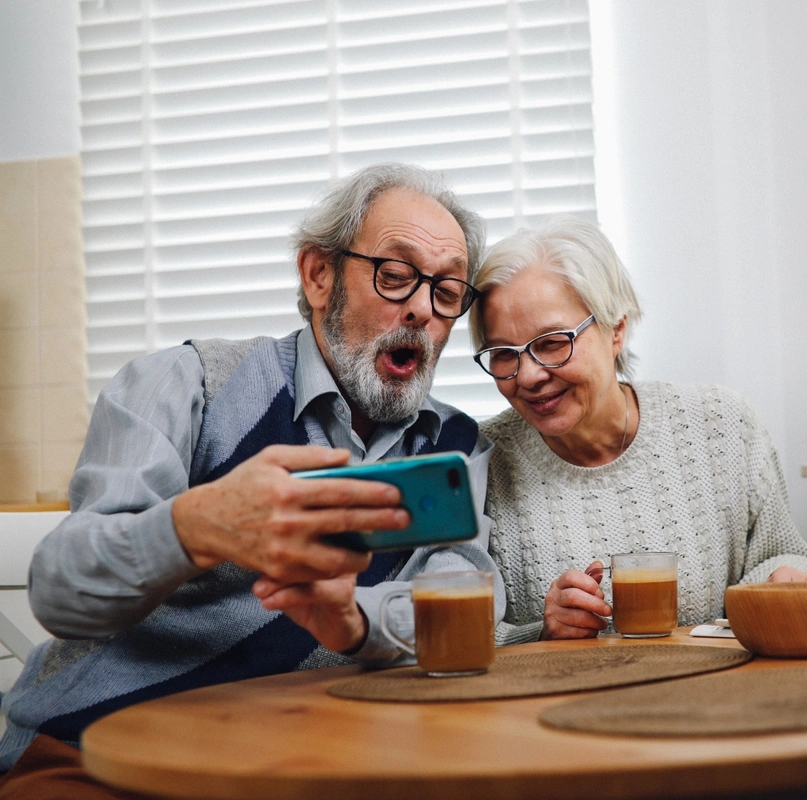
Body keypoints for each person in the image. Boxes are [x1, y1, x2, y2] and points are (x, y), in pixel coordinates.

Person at [0, 164, 505, 796]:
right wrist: (194, 528)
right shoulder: (184, 386)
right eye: (395, 274)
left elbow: (466, 610)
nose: (423, 310)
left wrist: (351, 621)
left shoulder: (453, 451)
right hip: (95, 755)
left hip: (297, 765)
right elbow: (59, 592)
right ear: (319, 275)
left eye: (448, 291)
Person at [468, 217, 807, 645]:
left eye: (552, 343)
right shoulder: (481, 462)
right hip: (557, 707)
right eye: (502, 354)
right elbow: (455, 635)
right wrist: (540, 631)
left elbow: (787, 555)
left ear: (616, 329)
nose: (528, 376)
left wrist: (785, 578)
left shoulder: (721, 424)